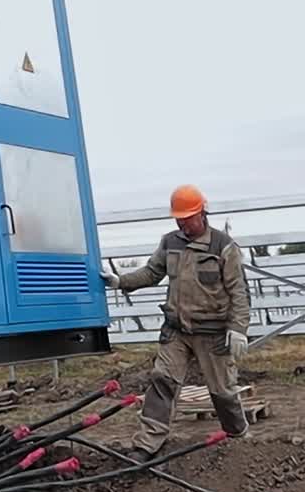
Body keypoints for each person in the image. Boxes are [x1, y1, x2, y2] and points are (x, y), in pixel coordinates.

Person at [103, 184, 251, 456]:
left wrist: (238, 328)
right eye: (178, 220)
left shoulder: (223, 247)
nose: (182, 225)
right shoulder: (170, 242)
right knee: (163, 382)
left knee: (222, 391)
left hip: (213, 333)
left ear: (202, 213)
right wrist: (120, 281)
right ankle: (146, 445)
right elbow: (152, 273)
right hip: (177, 331)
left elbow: (239, 291)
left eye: (187, 219)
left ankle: (238, 440)